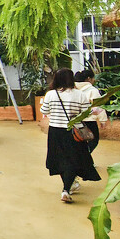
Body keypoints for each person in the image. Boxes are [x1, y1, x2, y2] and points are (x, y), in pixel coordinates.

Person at [40, 68, 100, 203]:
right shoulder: (79, 95)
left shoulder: (51, 94)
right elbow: (85, 113)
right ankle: (67, 188)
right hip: (73, 131)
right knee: (74, 160)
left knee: (59, 159)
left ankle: (68, 186)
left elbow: (44, 110)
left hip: (55, 132)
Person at [74, 69, 107, 152]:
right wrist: (103, 120)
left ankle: (82, 160)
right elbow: (98, 106)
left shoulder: (72, 89)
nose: (94, 80)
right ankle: (85, 159)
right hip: (89, 120)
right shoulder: (92, 90)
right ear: (89, 79)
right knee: (93, 140)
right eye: (93, 78)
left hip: (76, 120)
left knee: (79, 140)